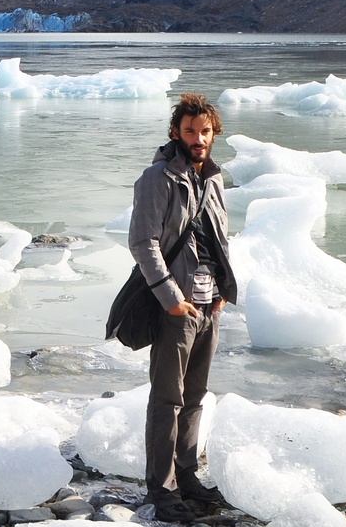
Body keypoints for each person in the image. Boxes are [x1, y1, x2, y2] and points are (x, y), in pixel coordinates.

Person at [128, 92, 238, 521]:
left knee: (194, 398)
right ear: (176, 132)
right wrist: (172, 299)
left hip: (210, 304)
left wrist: (226, 289)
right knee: (167, 399)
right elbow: (143, 241)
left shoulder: (214, 179)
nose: (198, 138)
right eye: (190, 131)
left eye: (205, 131)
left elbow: (220, 239)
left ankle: (187, 476)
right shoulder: (157, 178)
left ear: (214, 134)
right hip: (177, 305)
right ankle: (162, 488)